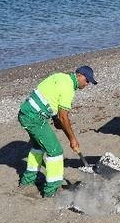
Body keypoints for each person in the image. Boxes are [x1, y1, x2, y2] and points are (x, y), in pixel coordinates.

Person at [17, 65, 97, 198]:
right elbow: (64, 117)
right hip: (35, 118)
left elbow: (51, 98)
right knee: (56, 152)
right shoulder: (69, 89)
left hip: (26, 112)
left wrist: (55, 119)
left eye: (90, 82)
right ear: (79, 75)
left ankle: (27, 180)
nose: (87, 84)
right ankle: (51, 190)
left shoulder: (61, 77)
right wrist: (72, 139)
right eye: (87, 80)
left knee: (37, 146)